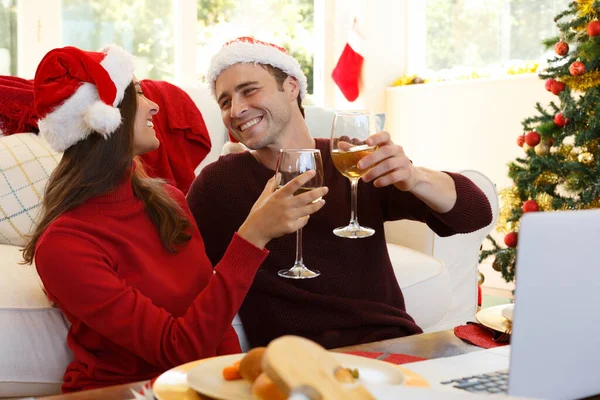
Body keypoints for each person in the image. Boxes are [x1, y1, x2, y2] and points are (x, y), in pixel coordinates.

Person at [21, 44, 327, 392]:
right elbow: (177, 347)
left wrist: (231, 384)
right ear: (106, 117)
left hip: (201, 386)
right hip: (126, 392)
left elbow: (215, 319)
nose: (154, 105)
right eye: (138, 93)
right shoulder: (64, 245)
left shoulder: (168, 200)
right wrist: (251, 238)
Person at [187, 37, 493, 350]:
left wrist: (414, 177)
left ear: (292, 87)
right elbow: (180, 278)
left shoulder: (351, 157)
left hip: (389, 345)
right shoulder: (218, 184)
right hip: (299, 362)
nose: (236, 109)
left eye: (249, 90)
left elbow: (476, 214)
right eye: (225, 102)